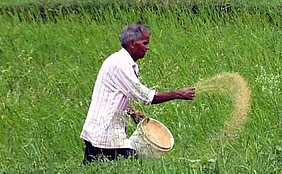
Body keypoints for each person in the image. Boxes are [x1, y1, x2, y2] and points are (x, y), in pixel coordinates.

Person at [80, 23, 195, 163]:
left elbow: (115, 95)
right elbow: (146, 97)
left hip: (102, 132)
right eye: (145, 43)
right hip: (105, 134)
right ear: (133, 44)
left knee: (97, 172)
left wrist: (131, 112)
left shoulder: (124, 62)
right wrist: (178, 94)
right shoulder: (121, 65)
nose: (148, 47)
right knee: (128, 166)